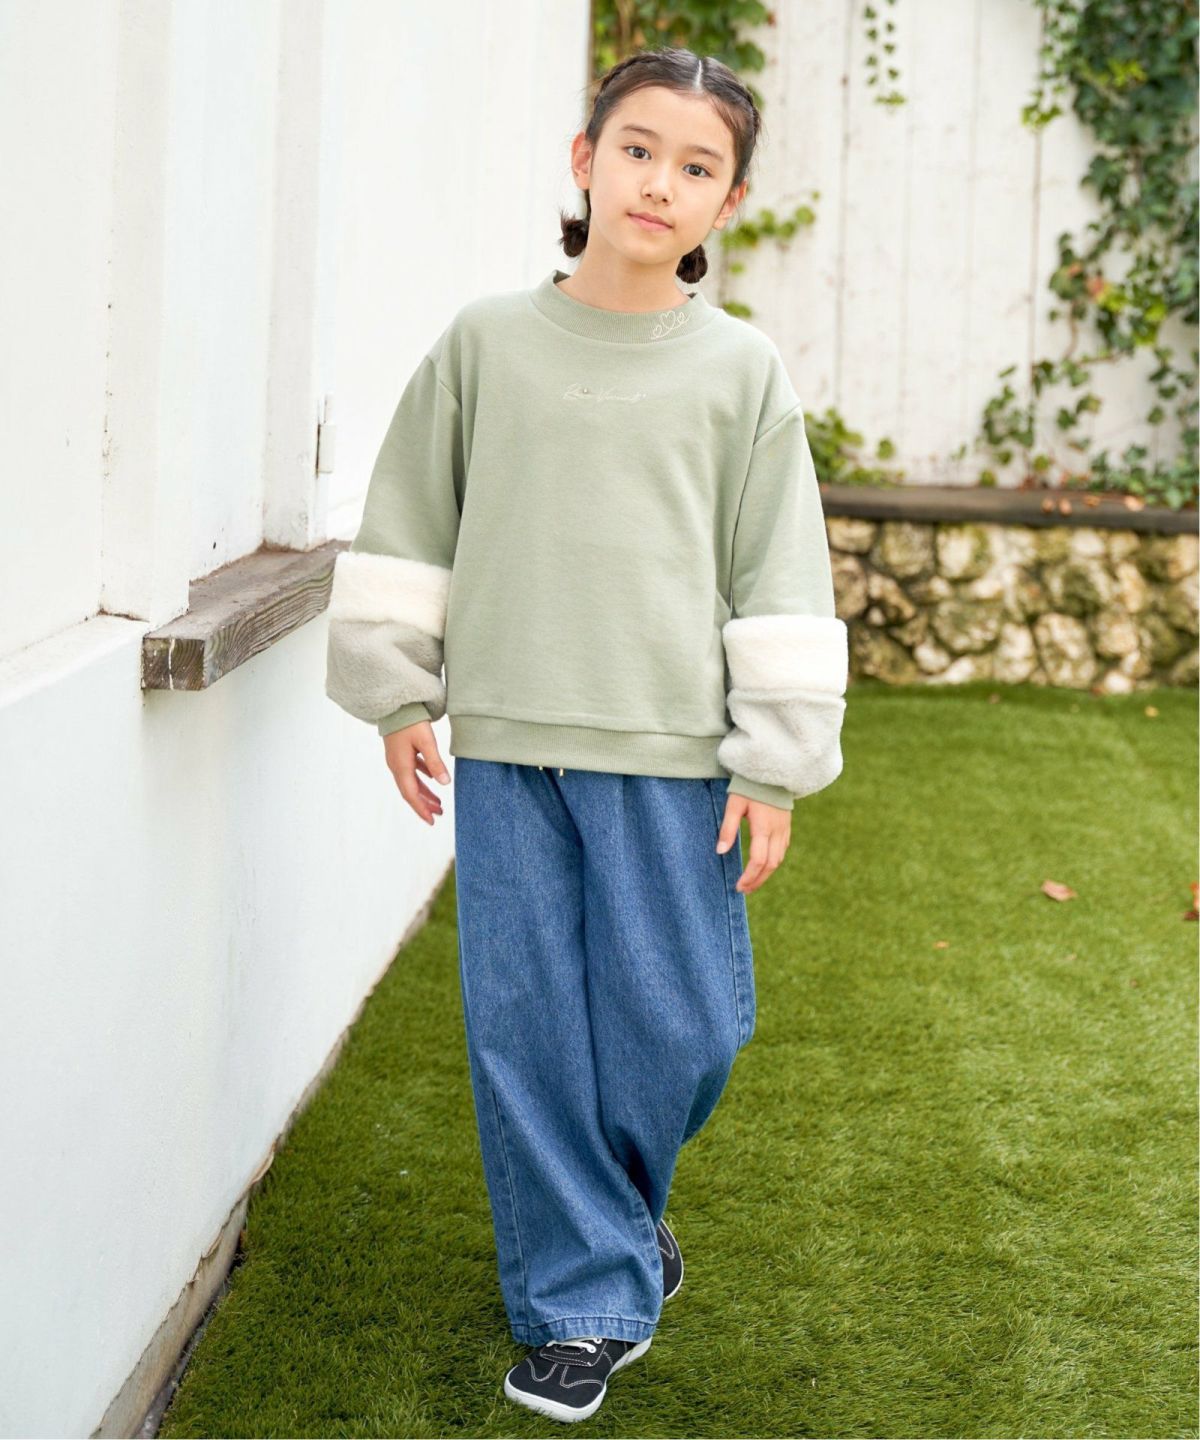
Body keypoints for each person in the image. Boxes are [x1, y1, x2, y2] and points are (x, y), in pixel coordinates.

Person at [324, 44, 848, 1425]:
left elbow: (780, 568)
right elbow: (410, 514)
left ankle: (614, 1218)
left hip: (676, 759)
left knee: (685, 1028)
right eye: (638, 149)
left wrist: (776, 760)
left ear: (729, 202)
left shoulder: (741, 371)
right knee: (532, 1029)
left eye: (697, 166)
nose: (660, 182)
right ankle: (583, 1304)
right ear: (586, 160)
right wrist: (399, 690)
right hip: (511, 747)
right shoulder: (485, 344)